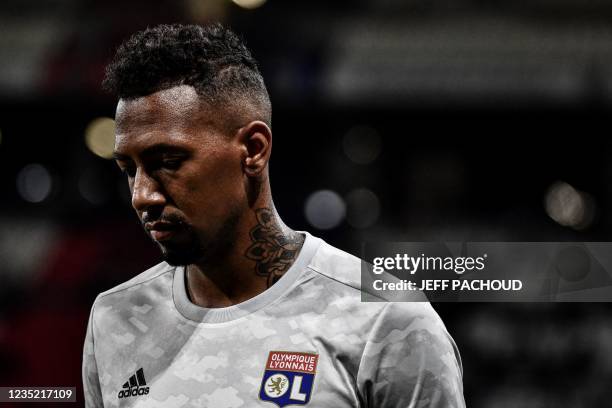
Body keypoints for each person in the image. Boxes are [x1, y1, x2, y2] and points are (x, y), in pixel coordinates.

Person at [82, 23, 465, 408]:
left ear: (253, 149)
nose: (141, 195)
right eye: (129, 169)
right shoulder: (114, 317)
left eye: (168, 162)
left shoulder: (388, 319)